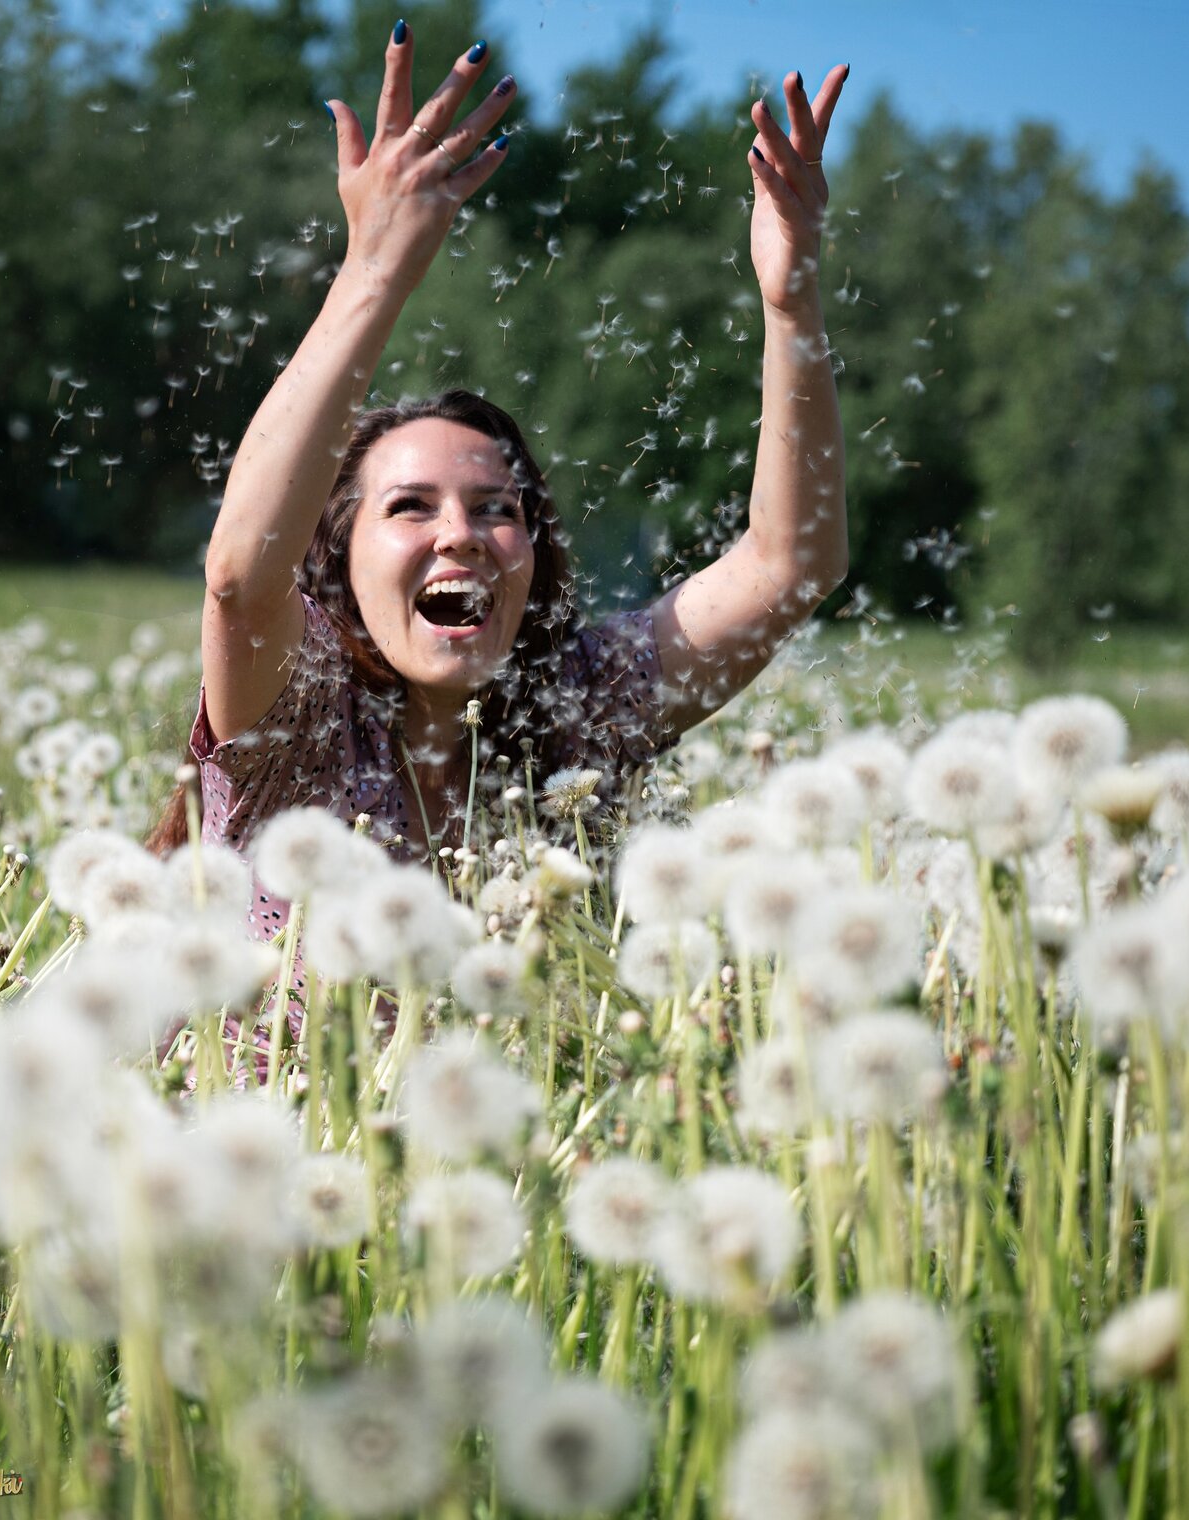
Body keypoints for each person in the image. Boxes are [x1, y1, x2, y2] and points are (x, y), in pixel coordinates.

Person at [148, 23, 850, 1074]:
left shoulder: (577, 703)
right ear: (335, 559)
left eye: (495, 507)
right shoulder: (299, 714)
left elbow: (788, 566)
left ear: (534, 546)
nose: (460, 535)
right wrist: (375, 269)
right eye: (409, 508)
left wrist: (789, 303)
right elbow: (241, 574)